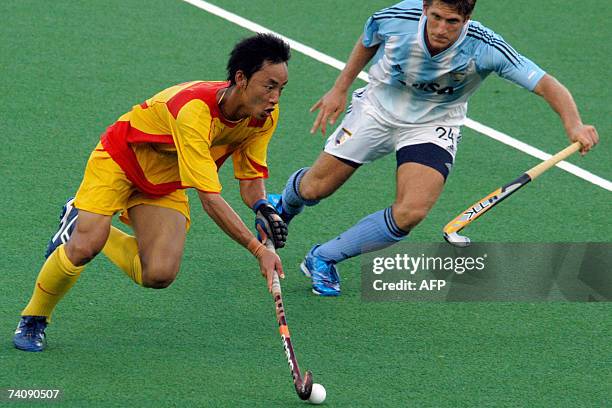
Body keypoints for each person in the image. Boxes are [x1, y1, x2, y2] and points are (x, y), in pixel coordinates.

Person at [269, 0, 599, 296]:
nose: (441, 29)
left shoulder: (487, 47)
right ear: (426, 7)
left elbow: (546, 83)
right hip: (377, 109)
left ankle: (324, 257)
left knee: (411, 212)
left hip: (433, 125)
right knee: (315, 189)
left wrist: (574, 124)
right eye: (436, 17)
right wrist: (339, 89)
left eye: (452, 21)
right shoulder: (398, 17)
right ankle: (285, 204)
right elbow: (369, 39)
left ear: (467, 18)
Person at [14, 33, 291, 352]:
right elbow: (210, 200)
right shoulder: (194, 110)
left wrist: (262, 207)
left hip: (165, 181)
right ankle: (34, 317)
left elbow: (250, 177)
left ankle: (80, 219)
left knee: (158, 274)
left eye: (281, 89)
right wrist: (258, 250)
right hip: (121, 160)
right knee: (84, 246)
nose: (275, 98)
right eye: (269, 86)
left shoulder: (263, 118)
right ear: (241, 79)